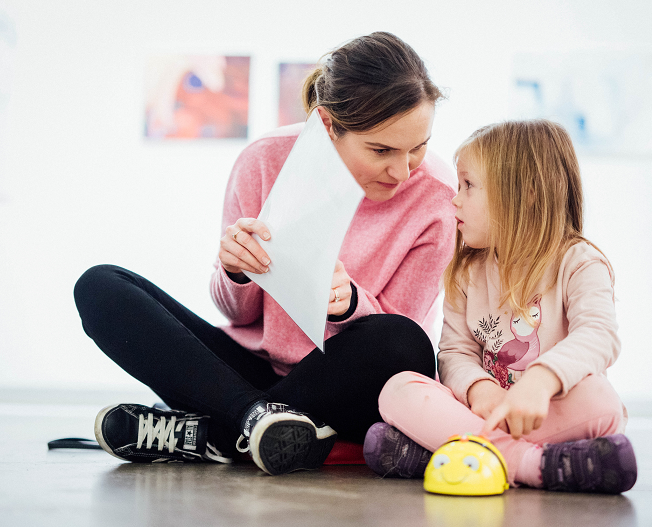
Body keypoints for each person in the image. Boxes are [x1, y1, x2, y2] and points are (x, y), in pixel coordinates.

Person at [74, 32, 456, 475]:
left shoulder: (436, 198)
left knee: (403, 342)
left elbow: (397, 332)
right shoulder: (264, 161)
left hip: (343, 386)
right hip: (250, 370)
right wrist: (235, 272)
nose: (402, 170)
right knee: (101, 286)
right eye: (381, 150)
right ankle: (255, 421)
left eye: (418, 147)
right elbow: (238, 316)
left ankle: (214, 432)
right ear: (328, 125)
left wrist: (350, 302)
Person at [363, 120, 638, 494]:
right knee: (397, 390)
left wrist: (542, 381)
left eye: (468, 186)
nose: (454, 198)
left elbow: (599, 335)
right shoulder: (468, 271)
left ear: (525, 194)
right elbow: (455, 352)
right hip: (485, 414)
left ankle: (454, 455)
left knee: (601, 402)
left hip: (549, 413)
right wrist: (480, 389)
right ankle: (533, 464)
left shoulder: (579, 263)